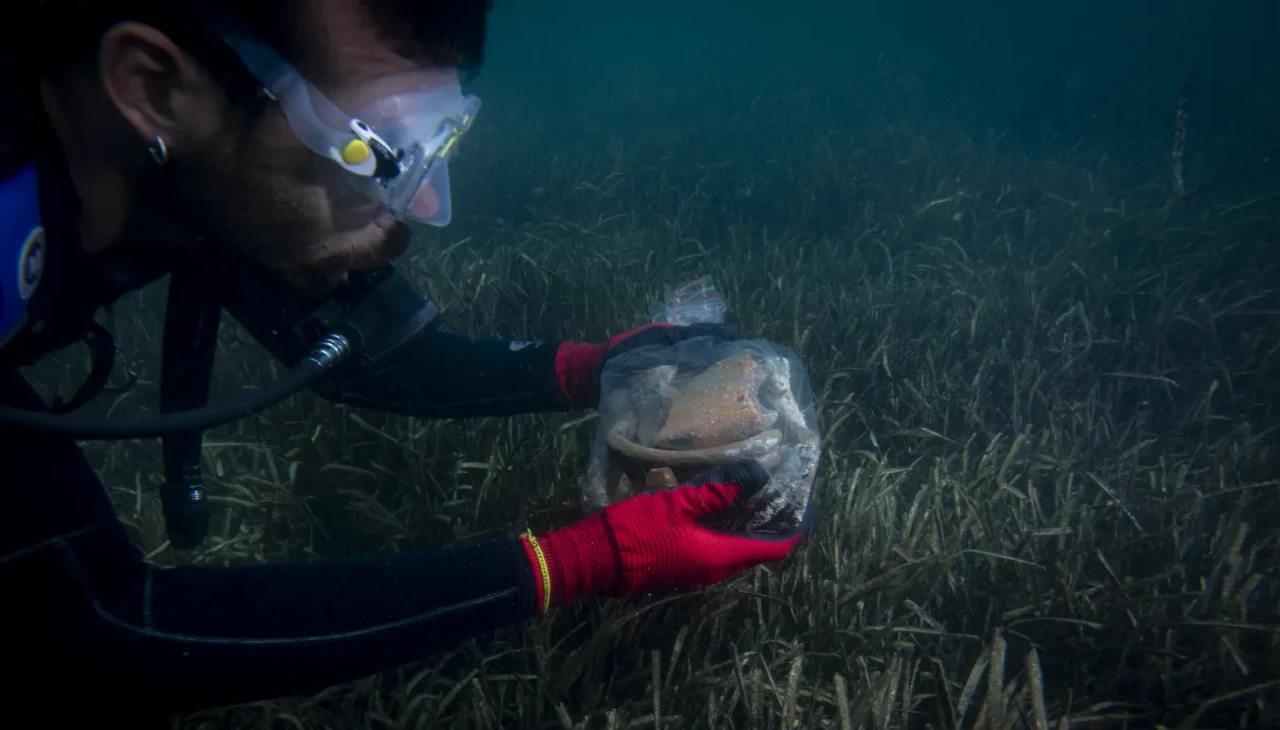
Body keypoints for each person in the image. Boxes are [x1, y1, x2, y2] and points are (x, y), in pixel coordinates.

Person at [0, 0, 808, 721]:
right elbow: (88, 628)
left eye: (439, 136)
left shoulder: (205, 161)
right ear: (152, 88)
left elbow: (377, 359)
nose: (423, 205)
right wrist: (572, 562)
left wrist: (587, 367)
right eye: (376, 150)